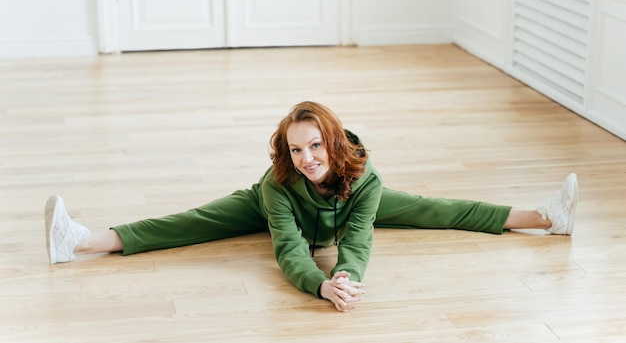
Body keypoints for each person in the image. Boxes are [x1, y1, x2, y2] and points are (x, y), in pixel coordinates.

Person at [45, 101, 579, 312]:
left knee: (433, 207)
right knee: (193, 222)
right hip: (281, 213)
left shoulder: (363, 177)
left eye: (315, 146)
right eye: (296, 149)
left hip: (344, 211)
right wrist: (320, 285)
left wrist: (346, 274)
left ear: (333, 142)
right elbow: (289, 249)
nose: (307, 158)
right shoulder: (277, 184)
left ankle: (547, 218)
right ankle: (80, 242)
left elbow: (359, 239)